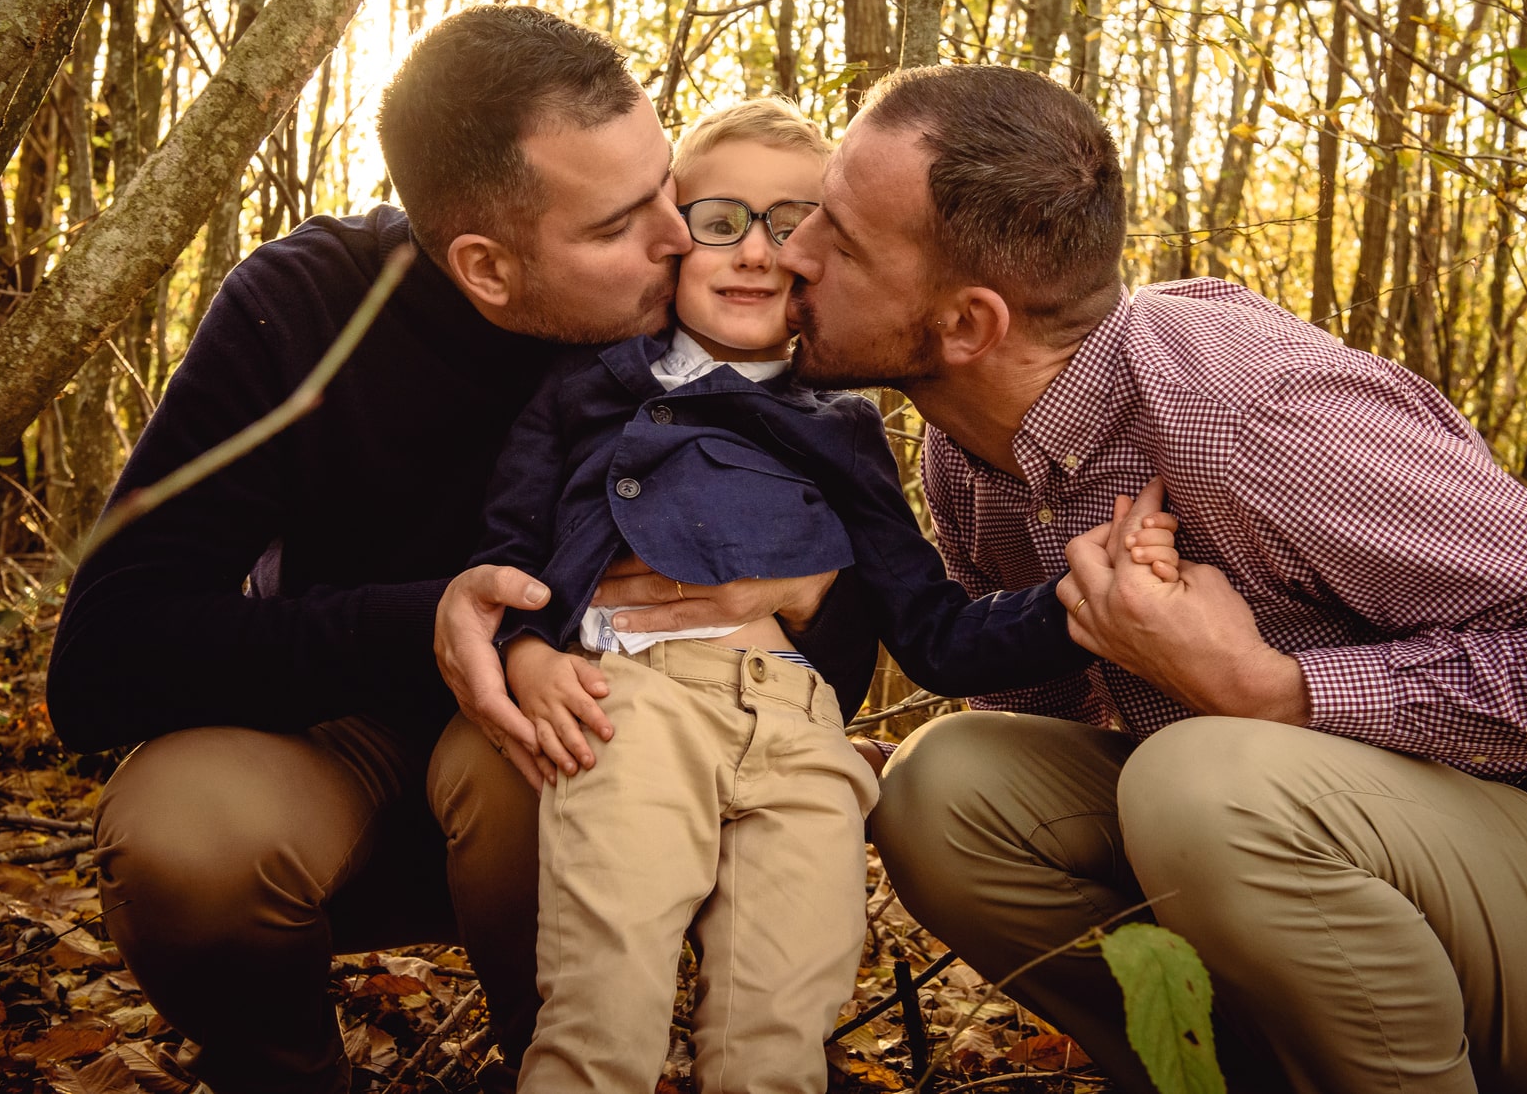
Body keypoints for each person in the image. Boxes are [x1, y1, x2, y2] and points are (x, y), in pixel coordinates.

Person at [773, 62, 1527, 1094]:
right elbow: (1042, 716)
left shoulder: (1251, 416)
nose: (791, 254)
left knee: (1201, 776)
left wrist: (1278, 691)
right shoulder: (967, 451)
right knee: (942, 786)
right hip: (1329, 903)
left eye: (839, 237)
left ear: (969, 324)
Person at [44, 6, 876, 1094]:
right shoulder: (308, 305)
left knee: (580, 747)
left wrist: (818, 596)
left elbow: (828, 664)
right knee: (184, 841)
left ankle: (562, 1062)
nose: (679, 236)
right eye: (622, 222)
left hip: (557, 749)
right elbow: (106, 656)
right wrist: (425, 621)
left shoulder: (713, 341)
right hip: (321, 737)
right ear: (486, 265)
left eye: (667, 185)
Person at [477, 98, 1175, 1092]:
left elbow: (935, 633)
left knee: (778, 1035)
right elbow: (507, 547)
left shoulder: (844, 425)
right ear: (673, 237)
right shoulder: (587, 387)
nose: (757, 250)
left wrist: (1081, 594)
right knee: (601, 1005)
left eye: (791, 222)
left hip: (800, 736)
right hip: (631, 705)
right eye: (721, 219)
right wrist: (529, 647)